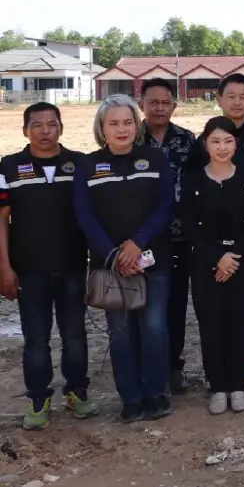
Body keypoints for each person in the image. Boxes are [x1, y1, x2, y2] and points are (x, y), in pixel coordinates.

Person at [73, 95, 175, 423]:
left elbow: (165, 207)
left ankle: (155, 393)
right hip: (110, 265)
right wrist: (116, 253)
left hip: (153, 260)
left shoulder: (155, 159)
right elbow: (84, 217)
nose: (121, 129)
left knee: (154, 329)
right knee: (121, 333)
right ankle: (130, 398)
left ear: (137, 124)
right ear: (101, 129)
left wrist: (137, 244)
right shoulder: (87, 166)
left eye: (127, 122)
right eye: (113, 123)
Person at [0, 103, 96, 430]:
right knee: (36, 339)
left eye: (51, 124)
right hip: (29, 270)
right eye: (37, 125)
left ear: (61, 128)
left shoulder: (80, 164)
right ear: (25, 129)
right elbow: (1, 222)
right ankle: (38, 398)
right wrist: (4, 268)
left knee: (74, 335)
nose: (45, 131)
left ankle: (77, 391)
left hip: (71, 267)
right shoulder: (9, 167)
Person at [187, 73, 244, 378]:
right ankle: (218, 371)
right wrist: (213, 253)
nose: (237, 102)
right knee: (213, 310)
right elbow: (190, 196)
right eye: (231, 96)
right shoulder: (203, 141)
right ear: (219, 98)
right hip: (210, 244)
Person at [180, 117, 244, 414]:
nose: (221, 147)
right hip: (206, 263)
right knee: (212, 324)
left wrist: (234, 257)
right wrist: (217, 257)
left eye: (228, 141)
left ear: (236, 144)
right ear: (205, 144)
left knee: (242, 323)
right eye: (215, 141)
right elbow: (190, 227)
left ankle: (238, 385)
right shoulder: (193, 180)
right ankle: (217, 386)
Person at [140, 78, 196, 395]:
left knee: (176, 304)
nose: (160, 108)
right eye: (153, 102)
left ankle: (174, 366)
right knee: (143, 305)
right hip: (142, 240)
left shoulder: (188, 141)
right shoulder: (130, 141)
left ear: (174, 105)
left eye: (165, 102)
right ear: (142, 105)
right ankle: (148, 367)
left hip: (181, 238)